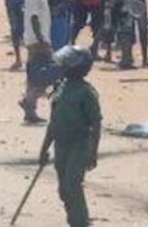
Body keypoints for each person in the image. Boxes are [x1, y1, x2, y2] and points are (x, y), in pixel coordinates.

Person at [37, 45, 101, 227]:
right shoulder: (60, 88)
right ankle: (74, 218)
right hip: (61, 145)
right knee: (64, 190)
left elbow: (96, 124)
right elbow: (53, 123)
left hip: (79, 144)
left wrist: (93, 152)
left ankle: (80, 222)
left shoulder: (87, 93)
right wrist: (43, 149)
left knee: (73, 183)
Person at [20, 0, 54, 124]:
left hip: (38, 39)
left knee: (34, 76)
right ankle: (28, 101)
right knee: (46, 76)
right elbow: (33, 18)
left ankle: (30, 111)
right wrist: (41, 40)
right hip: (37, 41)